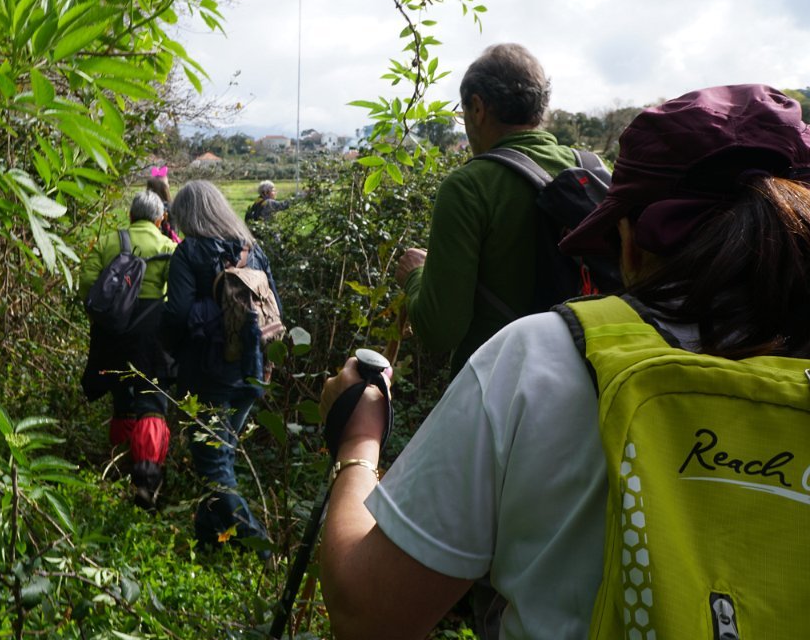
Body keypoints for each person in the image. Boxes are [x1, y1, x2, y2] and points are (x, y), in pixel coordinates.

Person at [317, 84, 810, 639]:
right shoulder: (581, 163)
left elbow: (368, 616)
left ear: (630, 245)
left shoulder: (537, 357)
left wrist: (358, 442)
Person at [395, 43, 608, 373]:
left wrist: (414, 276)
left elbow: (440, 331)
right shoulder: (594, 170)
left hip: (501, 385)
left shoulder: (469, 187)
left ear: (478, 108)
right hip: (595, 376)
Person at [162, 179, 281, 554]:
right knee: (221, 453)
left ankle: (262, 550)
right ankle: (210, 542)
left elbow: (177, 315)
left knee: (214, 466)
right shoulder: (252, 250)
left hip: (209, 372)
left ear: (187, 215)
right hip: (253, 370)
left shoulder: (189, 252)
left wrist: (170, 351)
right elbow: (275, 308)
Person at [79, 190, 178, 510]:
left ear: (131, 216)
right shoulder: (168, 247)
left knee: (122, 397)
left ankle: (120, 464)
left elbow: (87, 283)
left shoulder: (110, 241)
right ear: (160, 219)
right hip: (153, 336)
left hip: (114, 333)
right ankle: (146, 479)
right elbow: (178, 295)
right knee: (152, 401)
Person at [145, 166, 179, 243]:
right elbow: (173, 232)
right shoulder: (170, 208)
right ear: (164, 189)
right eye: (167, 184)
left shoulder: (144, 206)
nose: (169, 186)